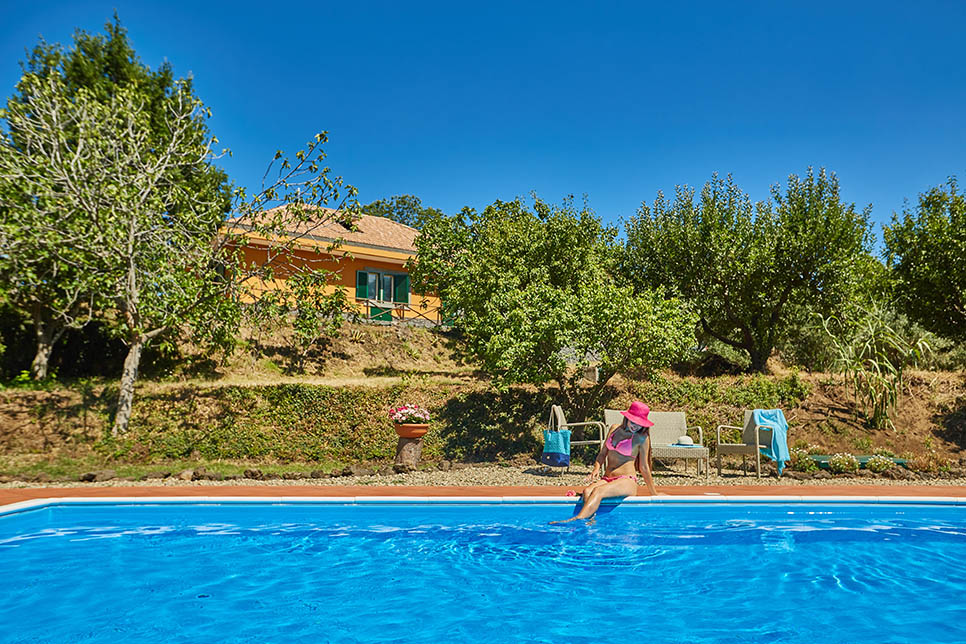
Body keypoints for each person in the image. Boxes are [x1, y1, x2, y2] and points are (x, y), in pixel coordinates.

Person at [551, 401, 658, 524]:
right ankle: (591, 521)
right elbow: (602, 454)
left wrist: (654, 493)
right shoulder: (614, 429)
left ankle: (575, 520)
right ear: (627, 418)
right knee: (587, 491)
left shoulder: (642, 438)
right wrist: (596, 469)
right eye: (633, 422)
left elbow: (644, 468)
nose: (635, 426)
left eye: (639, 424)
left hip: (626, 480)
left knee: (598, 491)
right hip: (607, 478)